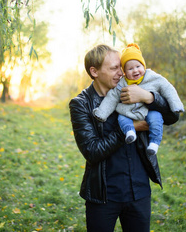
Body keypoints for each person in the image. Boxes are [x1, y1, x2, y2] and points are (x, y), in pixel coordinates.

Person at [69, 44, 180, 232]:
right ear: (94, 71)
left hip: (139, 191)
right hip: (104, 195)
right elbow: (92, 151)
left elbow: (173, 116)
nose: (121, 73)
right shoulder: (81, 104)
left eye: (120, 67)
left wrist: (149, 97)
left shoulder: (136, 89)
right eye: (113, 68)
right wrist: (131, 129)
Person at [93, 43, 184, 156]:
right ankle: (130, 131)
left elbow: (168, 88)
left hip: (147, 111)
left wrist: (173, 104)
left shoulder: (152, 77)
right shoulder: (122, 83)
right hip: (128, 112)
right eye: (130, 68)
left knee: (156, 118)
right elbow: (112, 97)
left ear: (144, 66)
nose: (135, 71)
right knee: (122, 117)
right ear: (125, 72)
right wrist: (101, 113)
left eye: (138, 66)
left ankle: (154, 143)